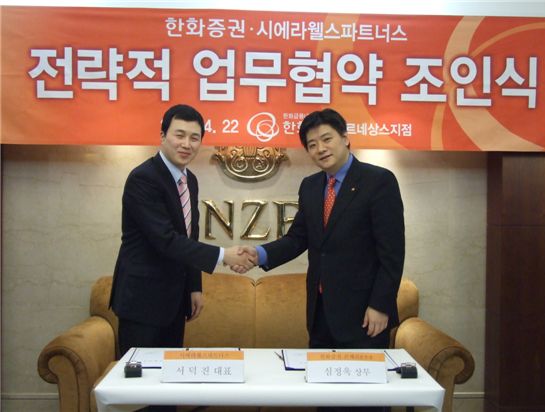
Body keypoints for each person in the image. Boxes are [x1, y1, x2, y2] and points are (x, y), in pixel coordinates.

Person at [237, 108, 405, 412]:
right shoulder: (311, 186)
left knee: (363, 402)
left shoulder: (378, 181)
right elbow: (298, 238)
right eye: (312, 144)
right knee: (325, 400)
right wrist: (259, 254)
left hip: (365, 316)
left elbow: (392, 252)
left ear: (345, 138)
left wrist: (380, 305)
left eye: (327, 139)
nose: (320, 149)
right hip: (321, 313)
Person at [109, 104, 254, 370]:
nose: (186, 144)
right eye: (179, 135)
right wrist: (224, 256)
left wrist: (194, 286)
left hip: (174, 300)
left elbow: (189, 235)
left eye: (194, 137)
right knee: (140, 384)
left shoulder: (190, 180)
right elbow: (165, 239)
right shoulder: (143, 178)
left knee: (169, 378)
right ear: (163, 136)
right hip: (142, 300)